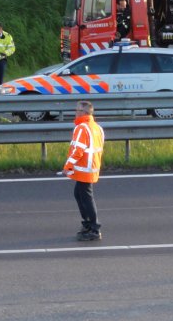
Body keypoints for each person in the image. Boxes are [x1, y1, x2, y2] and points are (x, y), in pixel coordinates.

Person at [63, 101, 105, 241]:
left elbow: (78, 150)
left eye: (77, 110)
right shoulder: (97, 127)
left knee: (86, 197)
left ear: (84, 113)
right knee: (79, 194)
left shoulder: (82, 128)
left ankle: (94, 228)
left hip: (84, 168)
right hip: (91, 167)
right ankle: (87, 223)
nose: (75, 112)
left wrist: (68, 165)